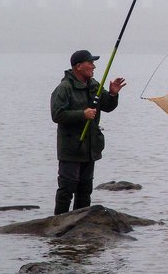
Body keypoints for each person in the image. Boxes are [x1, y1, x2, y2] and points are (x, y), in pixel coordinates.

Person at [50, 49, 127, 215]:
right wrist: (82, 114)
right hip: (71, 148)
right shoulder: (64, 88)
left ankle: (81, 225)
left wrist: (113, 94)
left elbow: (107, 106)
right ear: (78, 66)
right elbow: (57, 115)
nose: (93, 66)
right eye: (90, 63)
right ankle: (58, 224)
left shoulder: (93, 85)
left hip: (90, 148)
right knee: (66, 190)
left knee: (85, 190)